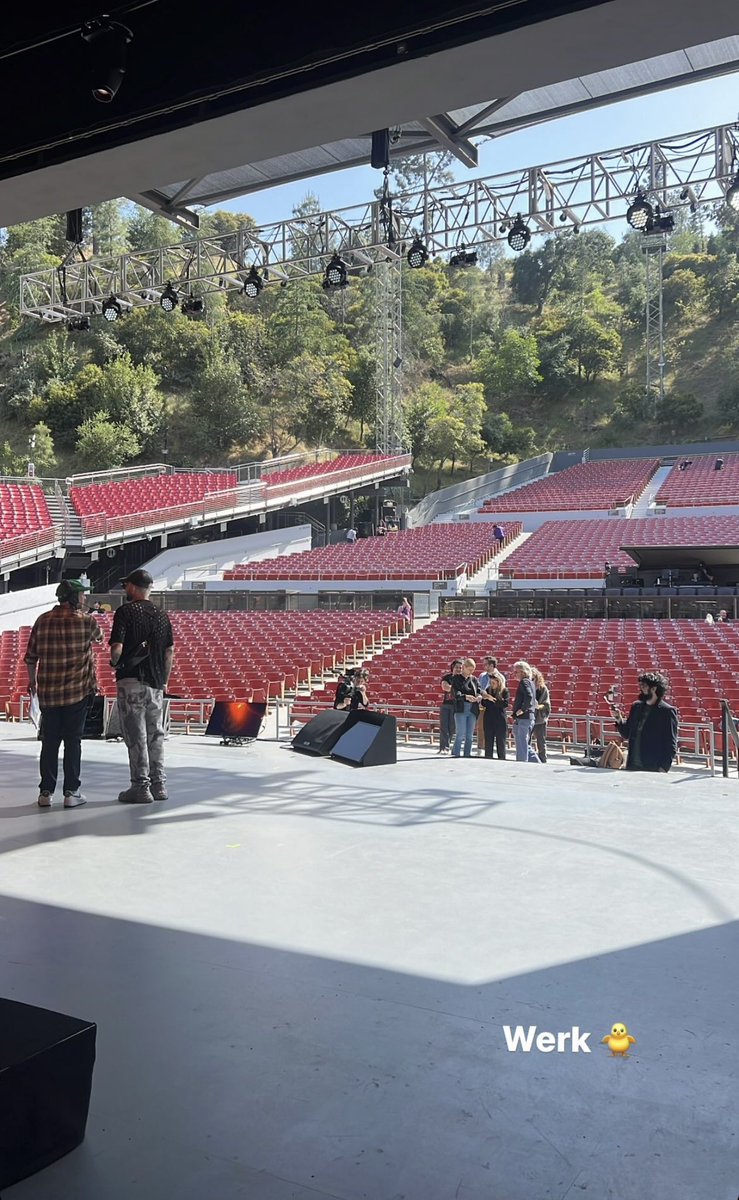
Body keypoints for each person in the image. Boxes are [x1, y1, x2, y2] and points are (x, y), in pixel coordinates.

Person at [24, 579, 103, 808]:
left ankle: (45, 792)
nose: (85, 598)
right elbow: (99, 639)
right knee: (73, 742)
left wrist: (32, 682)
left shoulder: (42, 620)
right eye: (82, 595)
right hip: (76, 693)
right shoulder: (87, 621)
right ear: (73, 598)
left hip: (48, 693)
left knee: (49, 743)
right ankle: (71, 792)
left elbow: (30, 657)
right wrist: (87, 613)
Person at [109, 569, 174, 804]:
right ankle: (159, 784)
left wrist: (115, 663)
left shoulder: (125, 612)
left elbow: (117, 648)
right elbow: (169, 652)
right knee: (156, 733)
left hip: (131, 680)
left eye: (127, 585)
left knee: (135, 734)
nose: (125, 589)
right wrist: (164, 680)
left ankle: (140, 786)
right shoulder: (162, 615)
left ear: (135, 587)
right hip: (155, 682)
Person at [611, 672, 678, 773]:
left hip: (653, 767)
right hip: (632, 765)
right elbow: (627, 734)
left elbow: (670, 743)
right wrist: (619, 719)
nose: (641, 689)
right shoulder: (636, 707)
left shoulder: (667, 712)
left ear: (654, 688)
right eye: (640, 685)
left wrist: (663, 768)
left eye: (644, 686)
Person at [451, 658, 482, 758]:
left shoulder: (474, 679)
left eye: (472, 670)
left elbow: (479, 690)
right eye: (469, 669)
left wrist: (479, 697)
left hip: (472, 708)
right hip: (461, 708)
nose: (471, 672)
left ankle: (467, 754)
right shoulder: (456, 679)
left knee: (469, 734)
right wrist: (466, 697)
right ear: (464, 668)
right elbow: (456, 693)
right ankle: (456, 753)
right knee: (460, 733)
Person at [511, 660, 540, 763]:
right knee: (524, 744)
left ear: (522, 672)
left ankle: (522, 764)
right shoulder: (530, 682)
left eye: (516, 672)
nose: (514, 674)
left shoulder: (525, 682)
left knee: (522, 744)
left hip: (524, 718)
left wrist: (522, 709)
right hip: (526, 718)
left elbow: (529, 696)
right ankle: (538, 764)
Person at [480, 669, 509, 760]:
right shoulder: (488, 690)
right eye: (491, 683)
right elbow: (483, 703)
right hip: (489, 717)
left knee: (501, 740)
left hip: (500, 718)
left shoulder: (504, 691)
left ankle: (502, 758)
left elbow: (505, 704)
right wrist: (486, 699)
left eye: (494, 683)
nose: (492, 685)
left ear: (498, 682)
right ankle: (488, 757)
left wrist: (494, 700)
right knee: (488, 740)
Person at [438, 658, 462, 754]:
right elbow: (445, 687)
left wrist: (454, 688)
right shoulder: (447, 677)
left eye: (460, 668)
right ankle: (443, 747)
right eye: (456, 667)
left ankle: (448, 746)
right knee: (444, 726)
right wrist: (457, 688)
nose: (458, 669)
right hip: (446, 704)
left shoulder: (463, 679)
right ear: (452, 668)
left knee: (452, 727)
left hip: (457, 705)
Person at [530, 667, 551, 763]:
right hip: (529, 717)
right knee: (527, 740)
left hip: (539, 718)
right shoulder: (527, 687)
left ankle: (543, 759)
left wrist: (539, 706)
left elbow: (546, 705)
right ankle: (529, 757)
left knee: (541, 742)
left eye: (533, 678)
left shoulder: (543, 689)